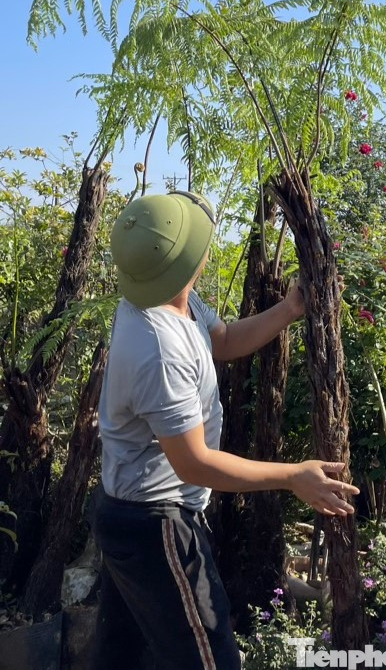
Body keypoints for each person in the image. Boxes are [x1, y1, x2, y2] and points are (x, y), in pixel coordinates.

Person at [92, 190, 359, 670]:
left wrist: (291, 308)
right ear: (195, 256)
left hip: (129, 510)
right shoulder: (156, 345)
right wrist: (294, 475)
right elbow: (194, 462)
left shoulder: (171, 297)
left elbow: (225, 340)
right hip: (155, 525)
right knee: (210, 660)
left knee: (123, 658)